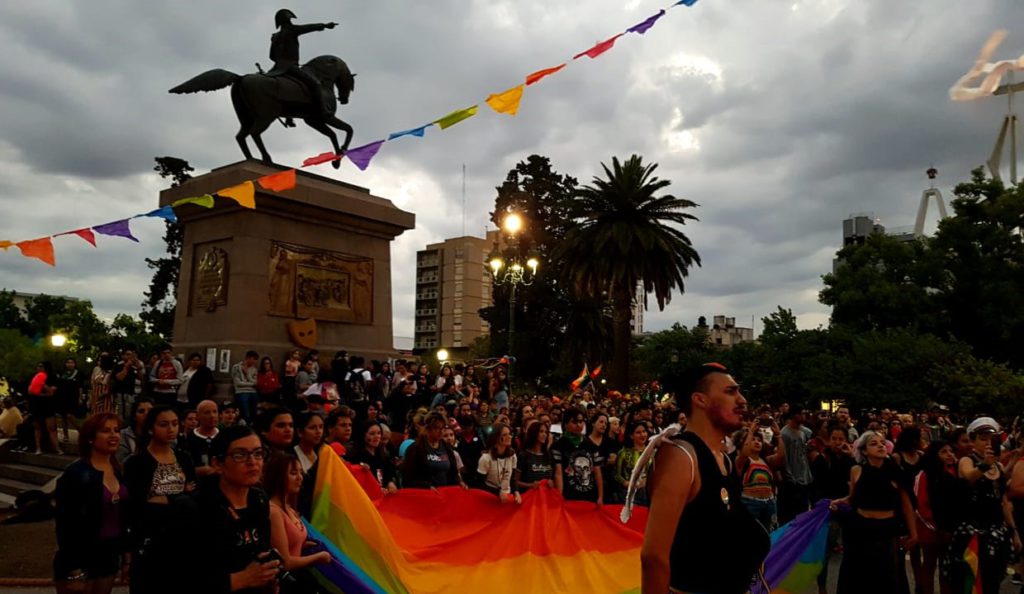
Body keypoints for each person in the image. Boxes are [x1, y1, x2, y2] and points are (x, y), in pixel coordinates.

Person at [640, 363, 769, 594]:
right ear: (700, 399)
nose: (742, 400)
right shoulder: (681, 456)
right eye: (730, 392)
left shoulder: (724, 459)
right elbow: (653, 557)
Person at [168, 425, 282, 593]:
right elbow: (174, 577)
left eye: (258, 453)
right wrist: (240, 579)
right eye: (240, 455)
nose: (252, 462)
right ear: (218, 463)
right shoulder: (193, 508)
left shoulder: (259, 499)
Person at [831, 431, 918, 594]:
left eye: (883, 443)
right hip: (860, 530)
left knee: (888, 578)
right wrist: (840, 501)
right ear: (864, 451)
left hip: (887, 531)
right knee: (859, 578)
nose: (880, 446)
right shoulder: (856, 470)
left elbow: (907, 506)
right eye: (874, 443)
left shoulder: (896, 472)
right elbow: (853, 497)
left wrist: (914, 534)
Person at [123, 405, 197, 594]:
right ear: (151, 428)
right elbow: (136, 505)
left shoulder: (183, 458)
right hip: (149, 541)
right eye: (164, 424)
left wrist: (164, 497)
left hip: (183, 541)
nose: (171, 429)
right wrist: (179, 495)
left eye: (174, 424)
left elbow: (193, 496)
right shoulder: (137, 463)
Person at [53, 412, 128, 594]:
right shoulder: (76, 474)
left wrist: (126, 556)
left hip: (109, 555)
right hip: (81, 556)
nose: (113, 435)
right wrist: (74, 570)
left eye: (116, 430)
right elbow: (65, 524)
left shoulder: (118, 470)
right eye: (105, 431)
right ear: (90, 439)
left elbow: (123, 517)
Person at [949, 417, 1020, 594]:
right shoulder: (967, 460)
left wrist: (1014, 532)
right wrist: (984, 465)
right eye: (982, 439)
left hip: (996, 533)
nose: (988, 443)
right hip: (972, 533)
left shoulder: (998, 467)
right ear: (973, 441)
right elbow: (968, 477)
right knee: (971, 582)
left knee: (993, 581)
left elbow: (1003, 501)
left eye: (991, 439)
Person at [265, 454, 331, 593]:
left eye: (300, 472)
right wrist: (319, 557)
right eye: (293, 473)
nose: (300, 478)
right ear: (279, 477)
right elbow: (285, 562)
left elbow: (290, 543)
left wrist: (302, 544)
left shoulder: (289, 508)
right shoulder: (274, 512)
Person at [916, 440, 960, 594]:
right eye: (944, 452)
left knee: (946, 568)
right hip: (931, 530)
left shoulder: (954, 472)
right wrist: (936, 526)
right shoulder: (924, 474)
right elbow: (921, 504)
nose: (949, 455)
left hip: (949, 529)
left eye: (951, 451)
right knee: (929, 565)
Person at [733, 423, 786, 532]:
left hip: (769, 503)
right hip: (750, 504)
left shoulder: (766, 460)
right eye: (753, 439)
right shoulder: (742, 461)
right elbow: (744, 453)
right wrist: (751, 431)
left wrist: (778, 435)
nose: (757, 442)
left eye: (759, 440)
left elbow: (781, 456)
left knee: (770, 535)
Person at [552, 407, 604, 504]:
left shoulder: (591, 445)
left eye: (581, 422)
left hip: (590, 497)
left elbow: (597, 472)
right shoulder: (558, 446)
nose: (578, 425)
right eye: (574, 422)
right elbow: (558, 474)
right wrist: (559, 496)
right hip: (569, 496)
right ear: (566, 423)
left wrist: (600, 496)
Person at [401, 411, 466, 490]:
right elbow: (408, 479)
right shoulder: (415, 448)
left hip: (444, 493)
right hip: (425, 494)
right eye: (436, 428)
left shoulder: (447, 448)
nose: (441, 431)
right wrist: (427, 486)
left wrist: (459, 482)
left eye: (442, 428)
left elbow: (453, 473)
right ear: (427, 428)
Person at [778, 408, 814, 525]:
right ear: (794, 415)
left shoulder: (803, 432)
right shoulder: (785, 433)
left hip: (804, 477)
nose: (804, 416)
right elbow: (785, 457)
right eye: (801, 413)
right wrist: (789, 477)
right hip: (792, 480)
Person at [346, 420, 398, 494]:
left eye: (379, 433)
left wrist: (390, 483)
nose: (376, 436)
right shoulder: (355, 456)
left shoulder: (383, 454)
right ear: (363, 435)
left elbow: (389, 473)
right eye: (372, 433)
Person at [477, 422, 520, 503]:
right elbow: (480, 484)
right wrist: (498, 492)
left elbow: (513, 478)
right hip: (490, 498)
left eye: (509, 434)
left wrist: (516, 492)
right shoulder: (486, 458)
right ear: (496, 438)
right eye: (504, 435)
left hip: (507, 497)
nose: (509, 437)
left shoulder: (512, 456)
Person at [28, 361, 62, 455]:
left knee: (51, 427)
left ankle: (57, 447)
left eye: (41, 366)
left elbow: (51, 392)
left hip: (48, 405)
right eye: (38, 366)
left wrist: (42, 384)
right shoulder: (34, 377)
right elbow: (30, 391)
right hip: (36, 404)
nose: (39, 368)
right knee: (37, 427)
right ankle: (38, 448)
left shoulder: (52, 378)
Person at [613, 421, 651, 505]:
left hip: (648, 493)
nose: (642, 435)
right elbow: (616, 475)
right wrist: (627, 483)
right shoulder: (623, 453)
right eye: (638, 432)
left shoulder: (653, 452)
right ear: (631, 436)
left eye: (644, 431)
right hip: (629, 493)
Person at [185, 400, 221, 477]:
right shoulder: (189, 439)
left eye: (215, 412)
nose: (212, 416)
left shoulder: (224, 436)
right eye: (207, 413)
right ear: (198, 416)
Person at [516, 420, 554, 491]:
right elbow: (515, 481)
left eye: (546, 432)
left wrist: (551, 482)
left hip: (545, 497)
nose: (544, 434)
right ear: (533, 433)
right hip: (528, 496)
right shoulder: (523, 455)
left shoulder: (548, 455)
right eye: (541, 431)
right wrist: (530, 485)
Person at [116, 397, 153, 465]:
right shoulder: (123, 435)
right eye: (141, 411)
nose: (146, 414)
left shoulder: (160, 433)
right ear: (134, 416)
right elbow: (121, 462)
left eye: (150, 411)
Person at [55, 358, 84, 444]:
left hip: (73, 396)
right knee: (63, 416)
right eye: (68, 362)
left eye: (72, 362)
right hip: (63, 397)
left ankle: (81, 430)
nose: (70, 364)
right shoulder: (62, 373)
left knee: (69, 415)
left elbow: (80, 386)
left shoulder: (78, 373)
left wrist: (80, 397)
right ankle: (65, 435)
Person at [232, 351, 259, 425]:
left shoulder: (254, 369)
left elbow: (255, 383)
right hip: (241, 392)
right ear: (248, 358)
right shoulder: (236, 367)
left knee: (254, 412)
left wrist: (247, 374)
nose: (255, 361)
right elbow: (238, 383)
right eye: (254, 359)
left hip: (253, 392)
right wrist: (251, 383)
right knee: (245, 413)